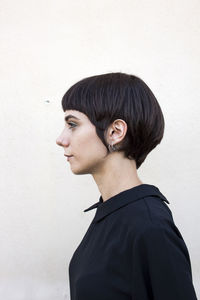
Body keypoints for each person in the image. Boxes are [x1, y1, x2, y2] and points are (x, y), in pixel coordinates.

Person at [56, 72, 198, 300]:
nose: (61, 139)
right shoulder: (112, 212)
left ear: (115, 132)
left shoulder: (149, 227)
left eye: (73, 124)